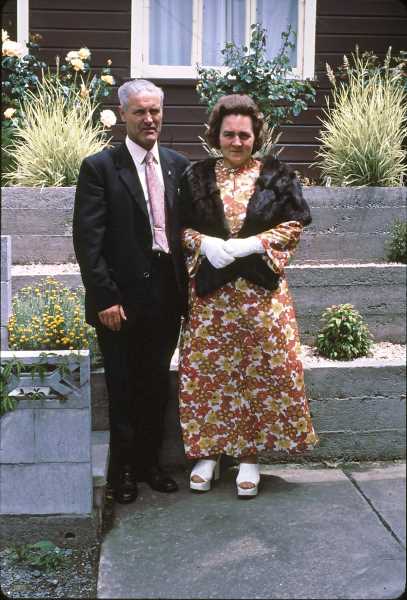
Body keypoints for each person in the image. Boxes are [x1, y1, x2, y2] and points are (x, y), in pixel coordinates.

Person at [178, 94, 319, 498]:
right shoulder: (196, 176)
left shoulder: (278, 175)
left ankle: (249, 457)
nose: (236, 142)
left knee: (259, 374)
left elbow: (294, 225)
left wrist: (253, 244)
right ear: (216, 135)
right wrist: (204, 243)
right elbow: (179, 228)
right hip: (212, 300)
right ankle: (208, 455)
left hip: (261, 298)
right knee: (208, 374)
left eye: (244, 134)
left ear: (256, 136)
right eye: (229, 134)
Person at [73, 79, 190, 504]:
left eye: (155, 110)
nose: (149, 119)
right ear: (123, 114)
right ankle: (122, 470)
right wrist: (104, 297)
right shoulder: (100, 168)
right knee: (122, 385)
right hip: (119, 299)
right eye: (140, 111)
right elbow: (88, 240)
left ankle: (149, 464)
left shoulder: (178, 165)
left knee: (155, 382)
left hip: (166, 294)